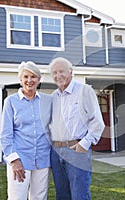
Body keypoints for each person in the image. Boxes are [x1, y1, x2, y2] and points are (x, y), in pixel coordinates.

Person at [49, 57, 105, 200]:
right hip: (56, 152)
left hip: (76, 150)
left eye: (61, 71)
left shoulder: (84, 91)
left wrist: (84, 144)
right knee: (62, 195)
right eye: (54, 72)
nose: (58, 75)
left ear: (71, 72)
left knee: (79, 195)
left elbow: (97, 122)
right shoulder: (53, 97)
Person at [0, 61, 52, 200]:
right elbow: (6, 134)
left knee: (40, 197)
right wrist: (14, 160)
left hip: (43, 158)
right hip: (20, 159)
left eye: (33, 77)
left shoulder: (47, 101)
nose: (29, 80)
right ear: (20, 79)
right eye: (26, 77)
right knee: (17, 198)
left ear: (39, 80)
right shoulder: (11, 101)